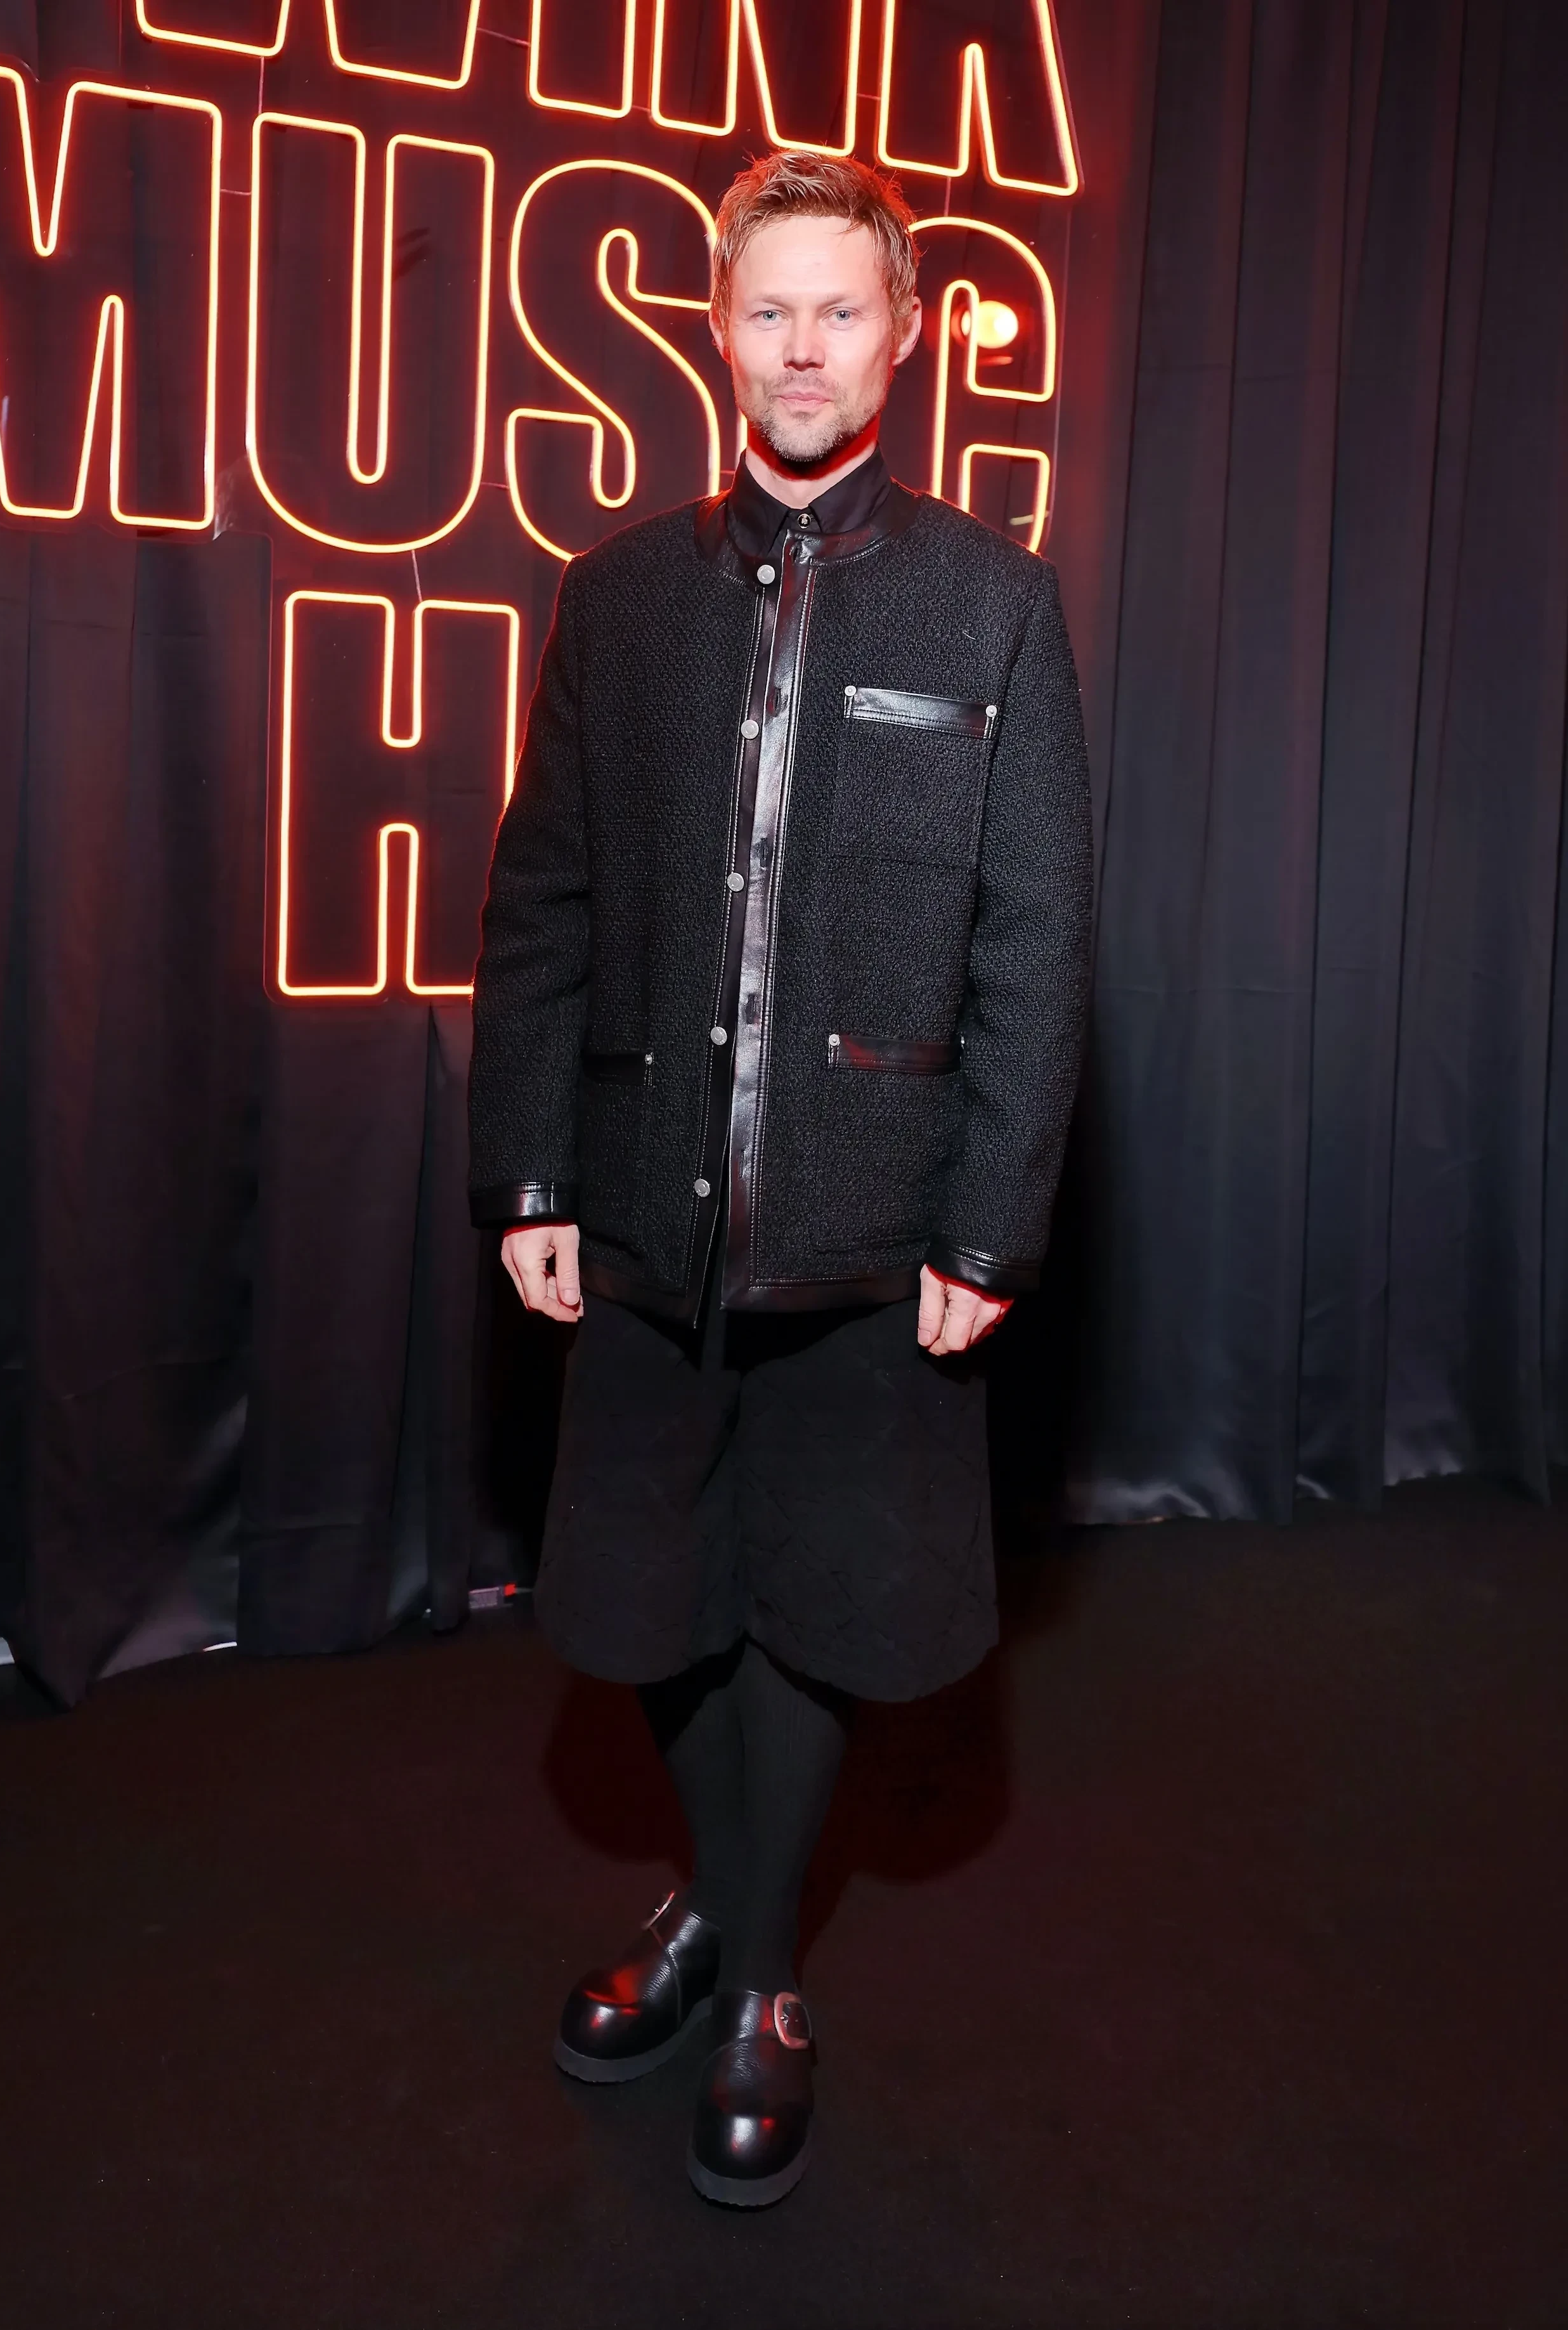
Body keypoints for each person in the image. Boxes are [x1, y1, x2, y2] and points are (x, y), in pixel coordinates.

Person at [468, 150, 1092, 2208]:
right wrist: (529, 1168)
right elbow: (545, 900)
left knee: (820, 1609)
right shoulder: (618, 594)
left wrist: (991, 1215)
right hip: (642, 1212)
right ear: (719, 331)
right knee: (653, 1607)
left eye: (842, 311)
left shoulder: (993, 603)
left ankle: (758, 1983)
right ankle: (725, 1898)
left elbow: (1033, 942)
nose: (803, 349)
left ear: (902, 337)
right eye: (768, 311)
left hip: (873, 1225)